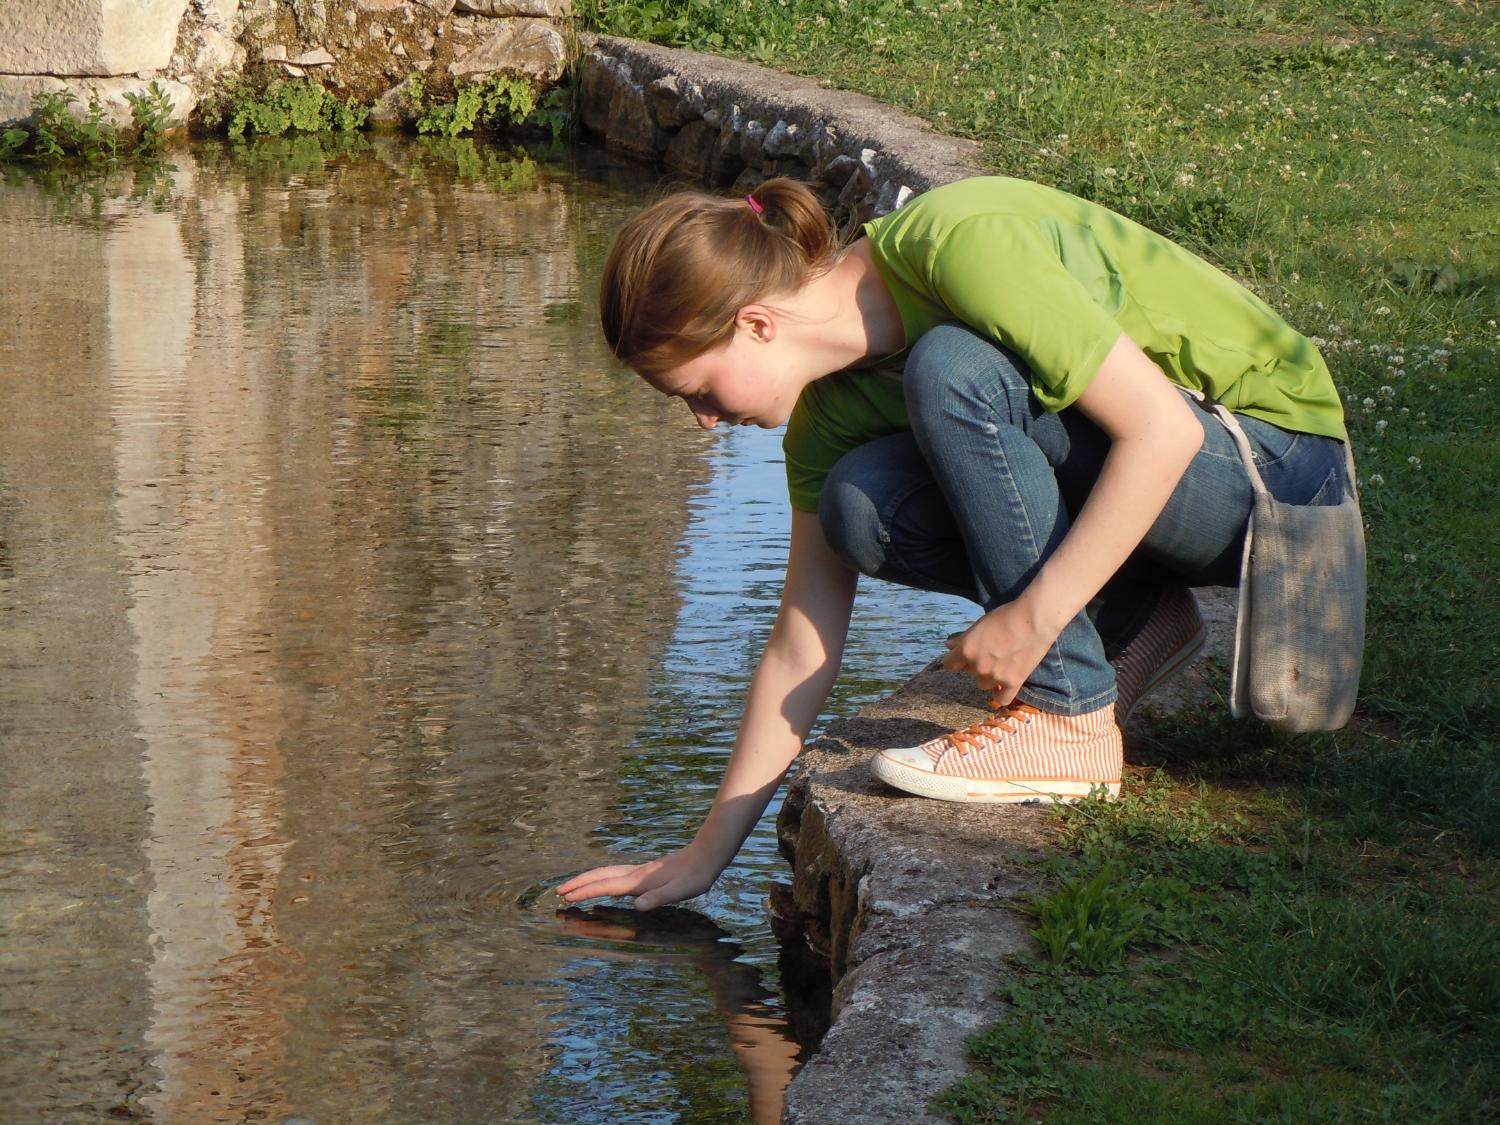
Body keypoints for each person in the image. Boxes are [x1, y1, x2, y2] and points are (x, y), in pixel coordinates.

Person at [558, 175, 1348, 911]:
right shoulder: (825, 419)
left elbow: (1163, 430)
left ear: (755, 324)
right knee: (862, 503)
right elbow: (801, 646)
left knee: (952, 370)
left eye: (696, 391)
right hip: (1172, 491)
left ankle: (1067, 720)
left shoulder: (955, 245)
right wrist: (703, 854)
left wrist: (1033, 617)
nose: (701, 421)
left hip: (1275, 472)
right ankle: (1137, 622)